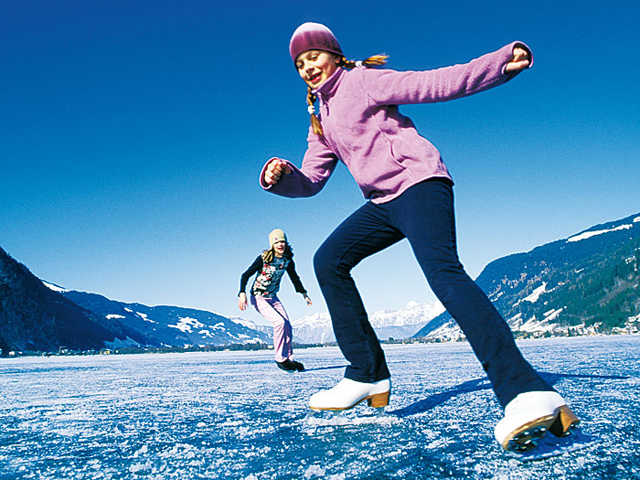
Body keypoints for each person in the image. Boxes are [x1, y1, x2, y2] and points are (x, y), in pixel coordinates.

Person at [258, 22, 579, 451]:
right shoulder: (321, 116)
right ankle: (367, 373)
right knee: (328, 260)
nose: (307, 67)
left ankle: (526, 391)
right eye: (299, 64)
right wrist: (282, 177)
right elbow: (312, 179)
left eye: (313, 56)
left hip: (420, 184)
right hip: (382, 202)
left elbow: (433, 84)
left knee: (444, 275)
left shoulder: (362, 81)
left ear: (333, 54)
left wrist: (498, 64)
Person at [238, 228, 312, 372]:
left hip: (273, 297)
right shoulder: (264, 258)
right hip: (258, 297)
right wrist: (242, 293)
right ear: (272, 244)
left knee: (287, 326)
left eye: (282, 242)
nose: (280, 245)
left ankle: (289, 358)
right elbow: (245, 275)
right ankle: (280, 358)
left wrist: (303, 293)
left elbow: (294, 277)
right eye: (277, 242)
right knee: (279, 323)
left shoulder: (287, 260)